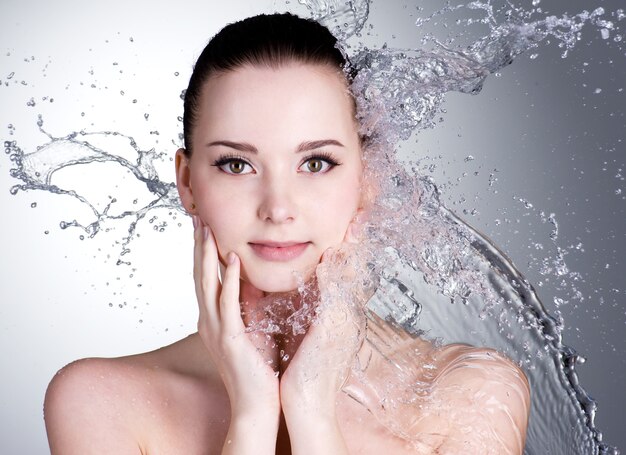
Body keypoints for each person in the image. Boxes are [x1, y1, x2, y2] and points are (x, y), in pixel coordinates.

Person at [43, 12, 530, 454]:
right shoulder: (99, 402)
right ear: (188, 183)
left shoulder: (467, 393)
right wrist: (253, 415)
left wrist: (311, 409)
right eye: (236, 164)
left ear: (369, 179)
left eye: (316, 163)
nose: (278, 208)